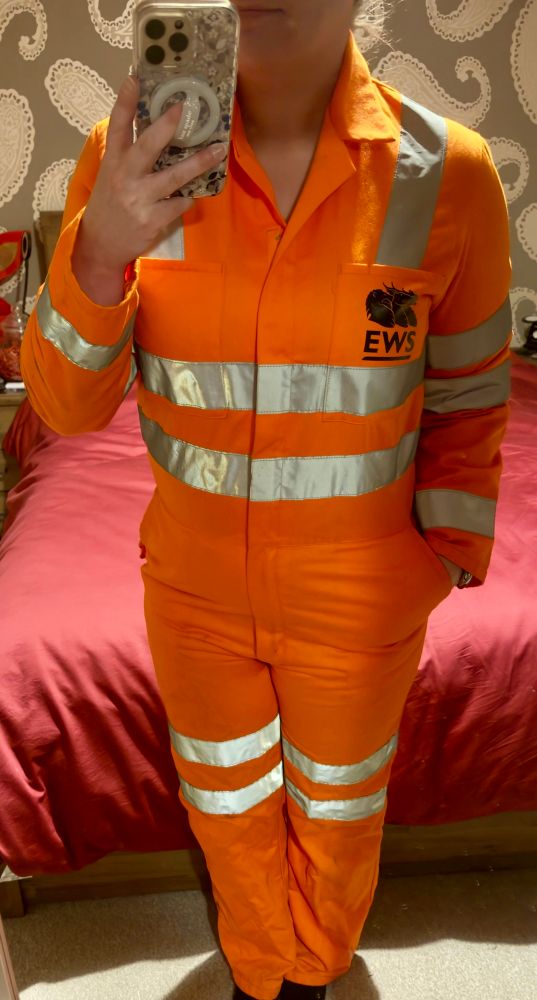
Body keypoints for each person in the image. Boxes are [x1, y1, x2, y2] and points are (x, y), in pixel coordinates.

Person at [21, 1, 512, 998]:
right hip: (194, 585)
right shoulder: (128, 157)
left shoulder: (447, 172)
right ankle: (259, 974)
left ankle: (315, 970)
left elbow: (470, 387)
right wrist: (99, 251)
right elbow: (66, 409)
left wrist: (445, 551)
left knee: (340, 812)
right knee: (226, 804)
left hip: (364, 585)